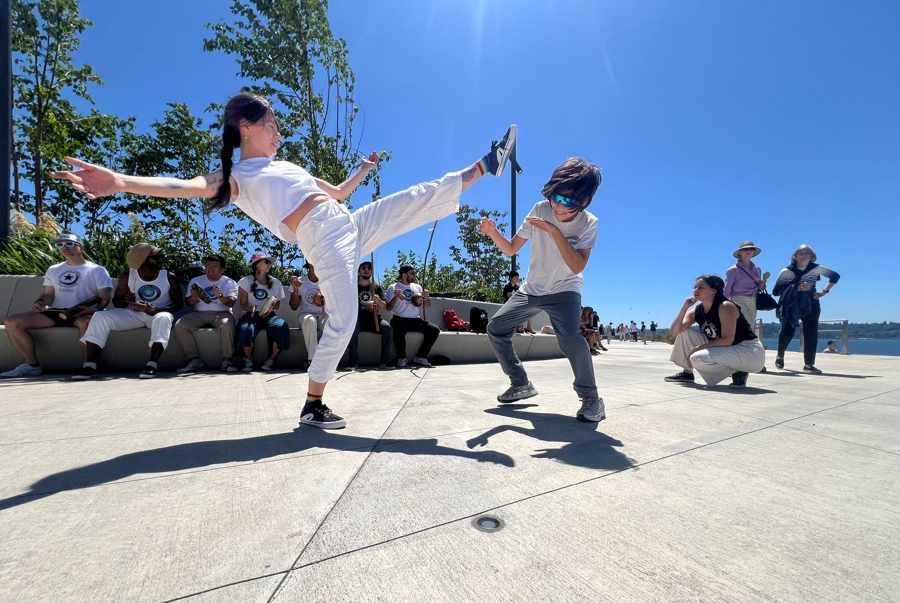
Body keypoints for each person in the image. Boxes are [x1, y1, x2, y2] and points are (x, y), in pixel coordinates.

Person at [53, 92, 516, 429]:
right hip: (323, 238)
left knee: (410, 199)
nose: (279, 133)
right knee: (344, 319)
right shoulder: (237, 176)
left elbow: (335, 193)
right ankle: (313, 404)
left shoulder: (288, 167)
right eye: (272, 125)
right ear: (246, 128)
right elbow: (185, 186)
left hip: (347, 222)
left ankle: (483, 165)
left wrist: (363, 171)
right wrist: (120, 180)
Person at [479, 157, 605, 422]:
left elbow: (577, 266)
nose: (558, 206)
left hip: (564, 289)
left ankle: (592, 399)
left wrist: (554, 231)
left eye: (568, 201)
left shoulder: (588, 223)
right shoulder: (539, 208)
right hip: (532, 288)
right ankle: (520, 383)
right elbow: (511, 248)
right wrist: (493, 232)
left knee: (570, 339)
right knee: (495, 328)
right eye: (555, 198)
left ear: (583, 201)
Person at [1, 234, 112, 378]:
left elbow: (105, 298)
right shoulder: (54, 269)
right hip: (56, 312)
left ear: (81, 247)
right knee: (12, 322)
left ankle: (89, 366)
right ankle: (32, 365)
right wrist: (40, 302)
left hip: (82, 313)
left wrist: (95, 310)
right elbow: (48, 295)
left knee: (87, 323)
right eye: (60, 245)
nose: (65, 248)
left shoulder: (98, 270)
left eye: (70, 244)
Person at [75, 243, 182, 380]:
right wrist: (125, 300)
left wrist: (158, 309)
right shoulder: (128, 276)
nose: (161, 259)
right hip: (133, 314)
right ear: (143, 260)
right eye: (156, 257)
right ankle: (90, 365)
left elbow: (178, 304)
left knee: (164, 318)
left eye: (161, 256)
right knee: (100, 316)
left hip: (157, 314)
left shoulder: (169, 277)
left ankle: (152, 365)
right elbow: (117, 302)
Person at [665, 275, 765, 388]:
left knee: (697, 357)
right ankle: (687, 373)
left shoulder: (726, 306)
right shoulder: (698, 310)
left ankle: (738, 371)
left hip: (748, 351)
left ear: (713, 290)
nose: (696, 290)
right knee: (684, 332)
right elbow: (675, 331)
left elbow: (728, 339)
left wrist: (699, 348)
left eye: (701, 287)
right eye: (695, 287)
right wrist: (684, 307)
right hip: (727, 350)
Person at [772, 245, 840, 373]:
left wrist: (824, 291)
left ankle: (809, 364)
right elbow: (776, 291)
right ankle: (780, 356)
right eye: (800, 253)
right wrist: (796, 288)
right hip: (792, 303)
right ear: (795, 256)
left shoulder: (817, 269)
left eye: (807, 253)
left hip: (811, 302)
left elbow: (835, 276)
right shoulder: (786, 271)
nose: (804, 255)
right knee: (788, 331)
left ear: (812, 257)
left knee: (811, 332)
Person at [173, 254, 239, 373]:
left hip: (222, 313)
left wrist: (220, 296)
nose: (210, 269)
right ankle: (194, 360)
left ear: (222, 270)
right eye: (208, 266)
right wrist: (193, 296)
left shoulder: (230, 282)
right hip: (199, 313)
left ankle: (227, 361)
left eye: (214, 266)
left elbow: (230, 303)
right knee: (180, 326)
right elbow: (189, 303)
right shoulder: (196, 281)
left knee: (228, 326)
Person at [236, 252, 290, 371]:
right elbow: (243, 305)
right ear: (256, 264)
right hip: (252, 314)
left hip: (270, 314)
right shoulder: (245, 281)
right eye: (266, 261)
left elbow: (278, 306)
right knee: (246, 328)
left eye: (269, 262)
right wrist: (252, 309)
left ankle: (271, 359)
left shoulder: (276, 283)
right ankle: (248, 360)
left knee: (281, 326)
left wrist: (272, 304)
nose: (269, 264)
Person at [386, 265, 440, 367]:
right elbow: (388, 308)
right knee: (399, 329)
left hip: (415, 320)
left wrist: (426, 297)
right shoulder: (393, 287)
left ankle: (420, 357)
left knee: (434, 330)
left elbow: (427, 306)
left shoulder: (417, 287)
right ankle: (402, 358)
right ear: (404, 275)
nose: (414, 276)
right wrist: (396, 297)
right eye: (412, 273)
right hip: (399, 318)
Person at [346, 260, 391, 370]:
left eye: (369, 268)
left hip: (374, 319)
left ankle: (384, 362)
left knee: (388, 328)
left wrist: (378, 300)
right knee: (352, 329)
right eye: (364, 268)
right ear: (358, 272)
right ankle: (353, 362)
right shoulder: (352, 287)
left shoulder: (377, 288)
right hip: (357, 319)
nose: (367, 269)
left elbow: (385, 306)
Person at [724, 240, 770, 329]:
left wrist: (764, 280)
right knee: (747, 325)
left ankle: (743, 342)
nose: (749, 251)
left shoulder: (757, 269)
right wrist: (723, 306)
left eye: (751, 249)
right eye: (745, 249)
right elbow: (727, 290)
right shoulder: (733, 270)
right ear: (739, 252)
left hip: (753, 300)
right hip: (738, 300)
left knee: (750, 325)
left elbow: (759, 288)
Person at [289, 262, 327, 371]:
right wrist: (296, 290)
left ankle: (328, 360)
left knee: (331, 325)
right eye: (312, 265)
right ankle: (312, 361)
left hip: (322, 314)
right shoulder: (301, 281)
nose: (315, 268)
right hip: (305, 315)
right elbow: (293, 306)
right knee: (310, 321)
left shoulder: (327, 282)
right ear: (309, 267)